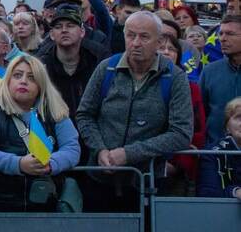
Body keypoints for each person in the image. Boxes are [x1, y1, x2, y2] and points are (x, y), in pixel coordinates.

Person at [75, 11, 193, 211]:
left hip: (147, 185)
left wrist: (129, 154)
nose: (136, 43)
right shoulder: (107, 69)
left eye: (144, 37)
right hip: (99, 180)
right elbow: (84, 115)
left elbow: (181, 133)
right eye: (131, 35)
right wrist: (100, 149)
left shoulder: (174, 77)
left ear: (158, 41)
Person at [0, 55, 81, 211]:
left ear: (41, 85)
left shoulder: (55, 110)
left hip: (46, 204)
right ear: (8, 80)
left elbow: (72, 149)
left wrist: (50, 164)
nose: (23, 81)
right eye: (17, 75)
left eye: (31, 77)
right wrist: (19, 164)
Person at [39, 1, 107, 119]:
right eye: (58, 27)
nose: (64, 30)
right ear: (51, 34)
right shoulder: (42, 64)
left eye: (70, 25)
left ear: (82, 32)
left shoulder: (98, 59)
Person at [159, 34, 206, 193]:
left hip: (177, 171)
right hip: (141, 167)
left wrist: (178, 164)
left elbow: (197, 132)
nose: (166, 52)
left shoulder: (191, 88)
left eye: (171, 49)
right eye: (161, 48)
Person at [199, 14, 241, 146]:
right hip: (216, 153)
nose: (222, 39)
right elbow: (200, 113)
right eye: (221, 33)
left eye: (230, 34)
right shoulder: (209, 71)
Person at [197, 97, 241, 199]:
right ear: (227, 127)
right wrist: (236, 192)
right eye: (239, 117)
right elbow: (207, 193)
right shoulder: (211, 154)